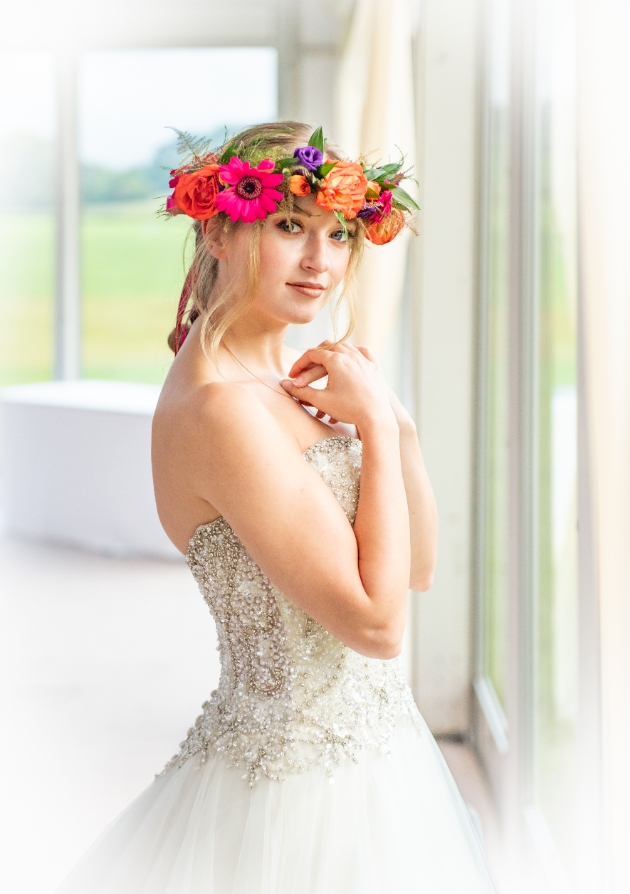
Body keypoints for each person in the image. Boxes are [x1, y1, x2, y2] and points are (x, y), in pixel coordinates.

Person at [56, 122, 497, 893]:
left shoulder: (285, 380)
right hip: (296, 788)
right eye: (289, 226)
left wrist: (395, 424)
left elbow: (417, 567)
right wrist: (377, 434)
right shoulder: (220, 408)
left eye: (336, 234)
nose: (320, 261)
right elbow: (377, 623)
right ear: (222, 230)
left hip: (378, 750)